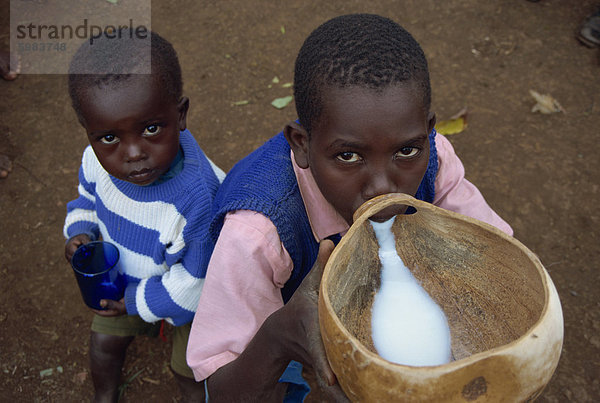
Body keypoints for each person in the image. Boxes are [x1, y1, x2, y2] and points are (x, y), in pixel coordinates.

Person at [187, 13, 513, 402]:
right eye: (347, 156)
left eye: (406, 151)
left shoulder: (435, 159)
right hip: (289, 334)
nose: (381, 186)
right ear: (302, 144)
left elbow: (494, 259)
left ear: (428, 131)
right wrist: (280, 335)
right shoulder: (258, 232)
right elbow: (219, 389)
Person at [63, 29, 224, 402]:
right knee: (103, 342)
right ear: (89, 133)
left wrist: (137, 303)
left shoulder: (199, 199)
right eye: (108, 138)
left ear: (180, 114)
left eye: (151, 129)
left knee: (189, 370)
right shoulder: (96, 163)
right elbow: (84, 200)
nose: (133, 152)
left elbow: (196, 281)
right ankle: (105, 395)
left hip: (186, 299)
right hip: (122, 280)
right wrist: (79, 233)